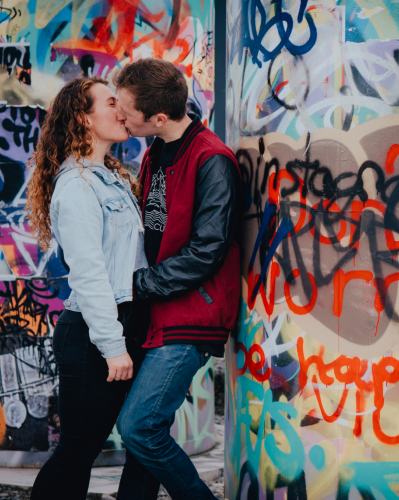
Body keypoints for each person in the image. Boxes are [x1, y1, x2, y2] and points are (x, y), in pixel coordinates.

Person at [113, 58, 241, 500]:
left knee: (139, 427)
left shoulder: (212, 160)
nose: (119, 116)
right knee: (143, 440)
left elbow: (206, 250)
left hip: (192, 314)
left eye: (126, 111)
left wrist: (137, 286)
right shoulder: (156, 152)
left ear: (159, 118)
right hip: (158, 310)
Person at [26, 76, 158, 500]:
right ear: (83, 119)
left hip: (125, 324)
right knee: (77, 452)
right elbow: (89, 273)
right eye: (110, 102)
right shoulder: (78, 187)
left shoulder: (109, 178)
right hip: (92, 333)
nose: (122, 110)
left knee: (146, 441)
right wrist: (112, 344)